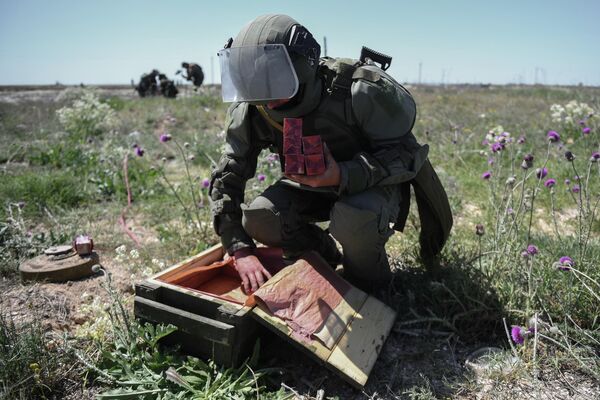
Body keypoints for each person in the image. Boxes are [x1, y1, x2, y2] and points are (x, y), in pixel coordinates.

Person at [209, 14, 452, 294]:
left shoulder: (359, 91)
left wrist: (342, 174)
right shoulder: (255, 108)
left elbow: (406, 154)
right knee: (261, 217)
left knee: (353, 220)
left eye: (273, 78)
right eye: (252, 80)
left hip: (372, 186)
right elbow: (228, 176)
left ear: (302, 64)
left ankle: (371, 292)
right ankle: (323, 256)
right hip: (310, 188)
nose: (264, 95)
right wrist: (239, 248)